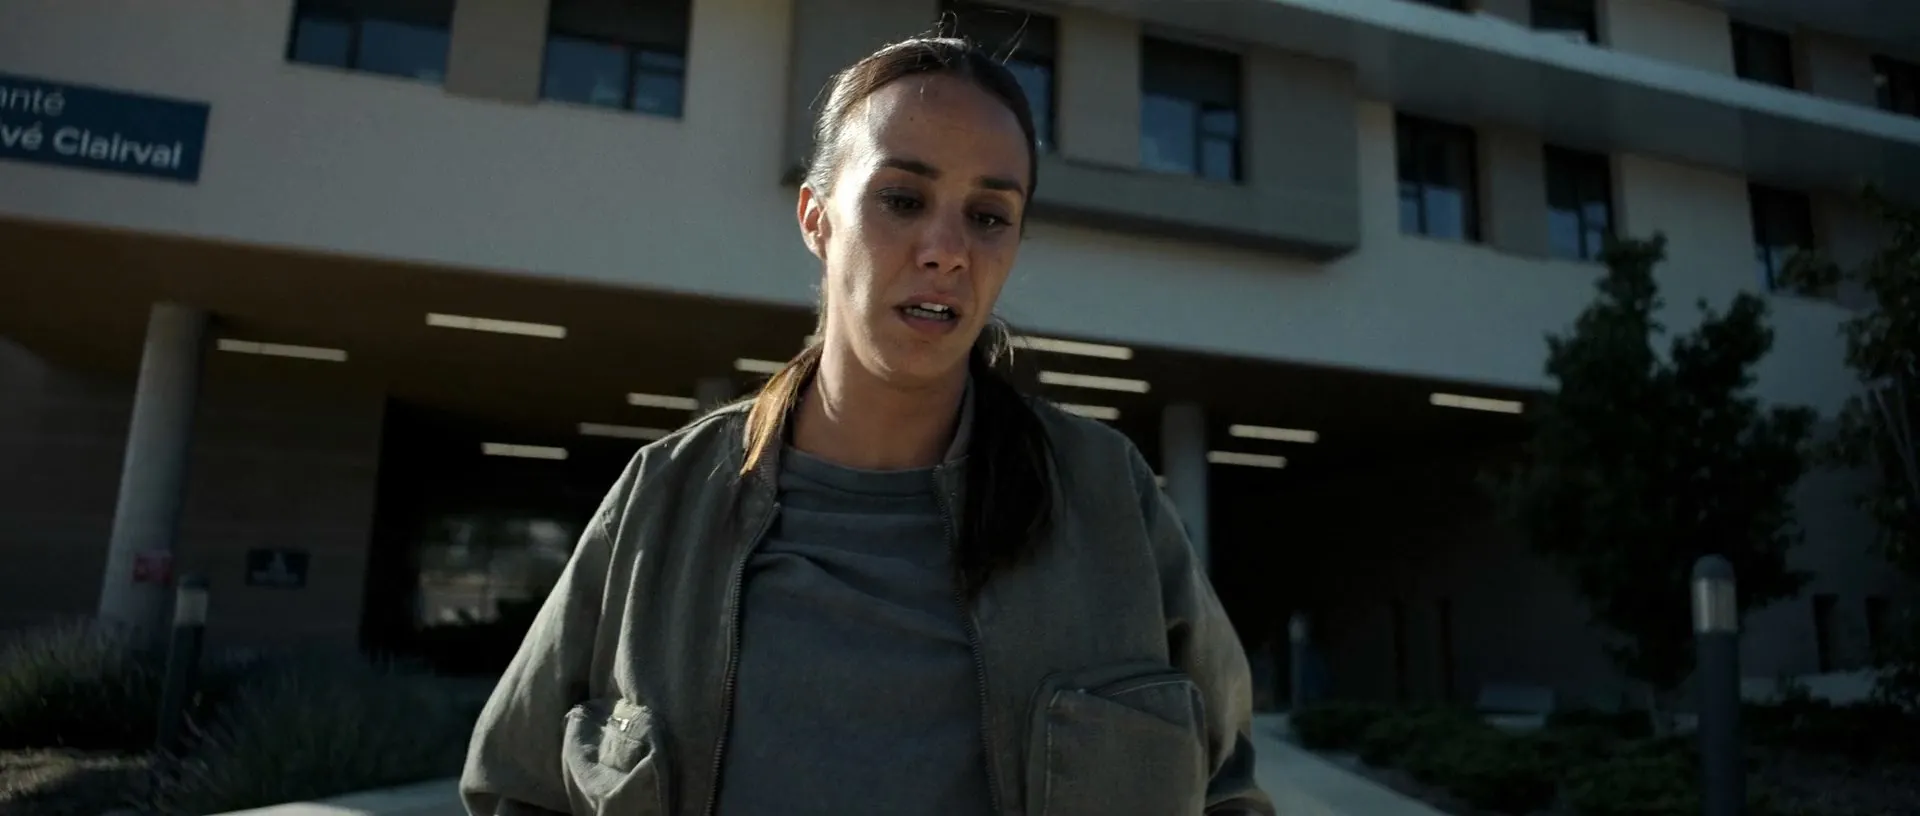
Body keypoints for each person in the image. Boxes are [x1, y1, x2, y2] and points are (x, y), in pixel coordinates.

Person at [459, 32, 1272, 816]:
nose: (947, 249)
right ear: (817, 219)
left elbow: (1225, 787)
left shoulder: (1107, 499)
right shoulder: (664, 501)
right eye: (902, 200)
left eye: (989, 215)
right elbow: (514, 785)